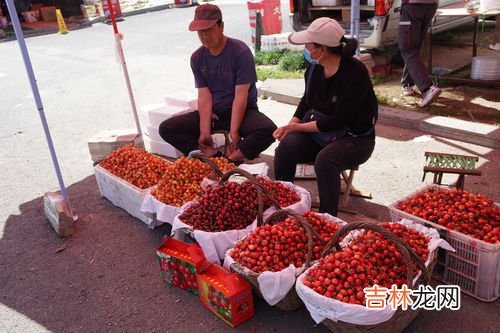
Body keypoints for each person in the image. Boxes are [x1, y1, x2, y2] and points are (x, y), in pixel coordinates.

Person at [273, 17, 378, 217]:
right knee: (285, 146)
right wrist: (291, 125)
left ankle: (327, 221)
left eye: (308, 45)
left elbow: (339, 119)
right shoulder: (314, 68)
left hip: (355, 139)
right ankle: (282, 205)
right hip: (321, 134)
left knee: (326, 160)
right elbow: (306, 102)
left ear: (322, 50)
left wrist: (298, 128)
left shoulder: (355, 73)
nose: (305, 48)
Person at [159, 3, 277, 164]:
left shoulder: (240, 51)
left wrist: (234, 131)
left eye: (208, 29)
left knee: (268, 130)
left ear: (221, 26)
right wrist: (204, 131)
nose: (204, 35)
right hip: (215, 113)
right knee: (167, 128)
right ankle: (210, 158)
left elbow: (240, 96)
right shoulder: (197, 58)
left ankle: (230, 160)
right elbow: (204, 97)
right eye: (200, 31)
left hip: (243, 111)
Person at [398, 0, 442, 107]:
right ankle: (407, 84)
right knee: (414, 46)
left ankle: (427, 88)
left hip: (413, 5)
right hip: (431, 5)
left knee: (408, 48)